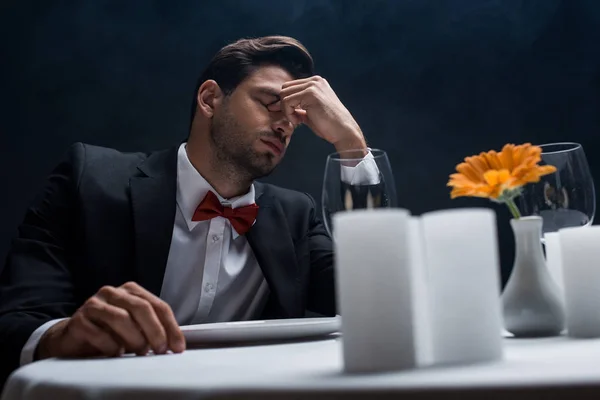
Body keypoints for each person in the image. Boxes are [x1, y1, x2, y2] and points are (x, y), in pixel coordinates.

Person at [0, 36, 374, 385]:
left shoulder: (296, 216)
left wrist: (351, 143)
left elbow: (374, 297)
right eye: (270, 103)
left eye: (296, 118)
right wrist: (64, 334)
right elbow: (15, 321)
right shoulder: (90, 179)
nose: (285, 125)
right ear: (210, 99)